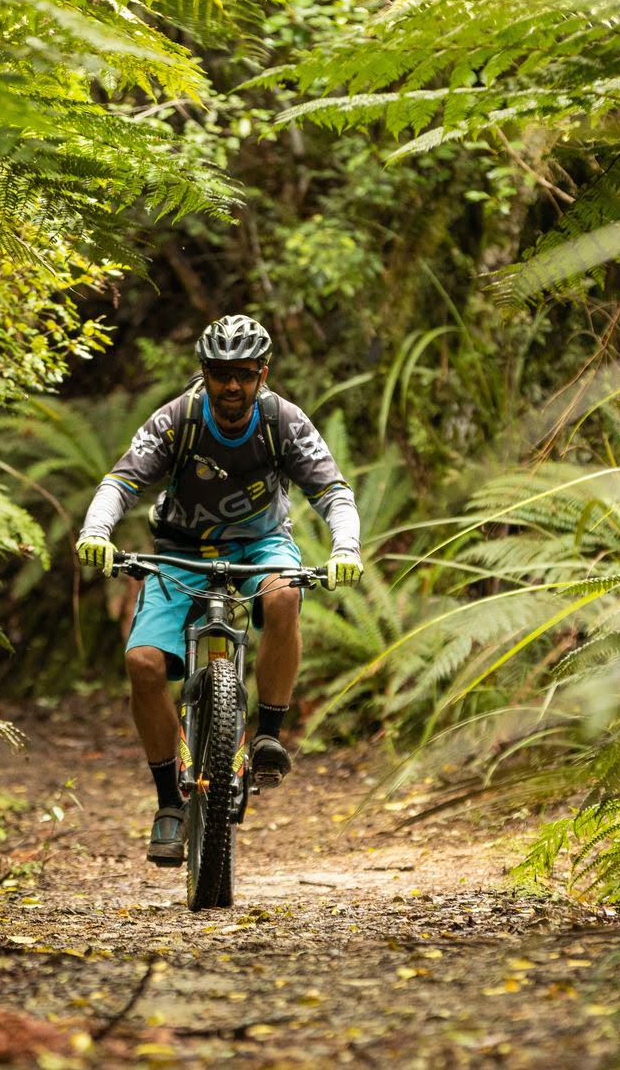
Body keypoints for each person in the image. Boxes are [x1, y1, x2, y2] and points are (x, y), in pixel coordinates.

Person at [73, 314, 362, 865]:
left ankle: (268, 736)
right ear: (204, 373)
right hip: (179, 551)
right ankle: (168, 805)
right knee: (142, 665)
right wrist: (95, 531)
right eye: (221, 374)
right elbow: (120, 482)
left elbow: (333, 493)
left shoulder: (284, 422)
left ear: (263, 374)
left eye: (245, 375)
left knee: (283, 596)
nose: (233, 386)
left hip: (260, 547)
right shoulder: (177, 420)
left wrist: (346, 547)